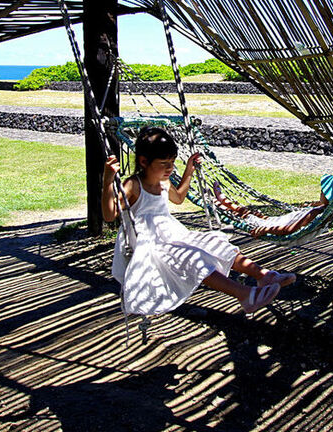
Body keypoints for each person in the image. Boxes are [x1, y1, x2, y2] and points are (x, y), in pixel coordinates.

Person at [102, 127, 296, 318]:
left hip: (173, 233)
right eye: (163, 163)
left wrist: (188, 171)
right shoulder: (133, 185)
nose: (170, 168)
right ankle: (245, 295)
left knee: (216, 244)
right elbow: (110, 215)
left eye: (172, 162)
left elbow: (178, 198)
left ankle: (263, 275)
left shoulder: (164, 181)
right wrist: (108, 180)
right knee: (196, 259)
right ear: (144, 162)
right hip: (149, 242)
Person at [210, 170, 333, 238]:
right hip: (273, 221)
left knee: (244, 215)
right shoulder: (325, 209)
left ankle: (218, 202)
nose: (320, 194)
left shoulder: (316, 213)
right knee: (250, 213)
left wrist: (265, 231)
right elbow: (316, 206)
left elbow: (289, 229)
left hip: (270, 226)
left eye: (322, 192)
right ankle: (222, 200)